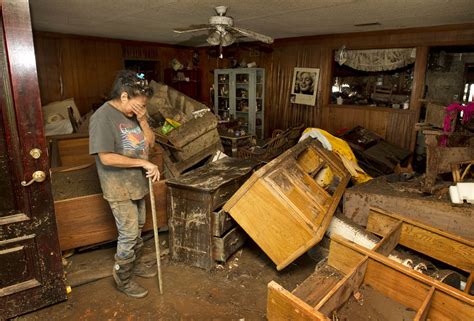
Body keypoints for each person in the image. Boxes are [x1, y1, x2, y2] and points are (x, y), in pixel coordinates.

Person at [89, 70, 159, 298]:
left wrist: (142, 119)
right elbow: (105, 157)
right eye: (138, 105)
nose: (139, 109)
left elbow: (150, 145)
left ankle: (135, 265)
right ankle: (124, 278)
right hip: (118, 186)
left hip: (137, 184)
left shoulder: (135, 116)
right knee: (128, 234)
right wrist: (142, 163)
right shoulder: (102, 117)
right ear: (124, 96)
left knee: (138, 229)